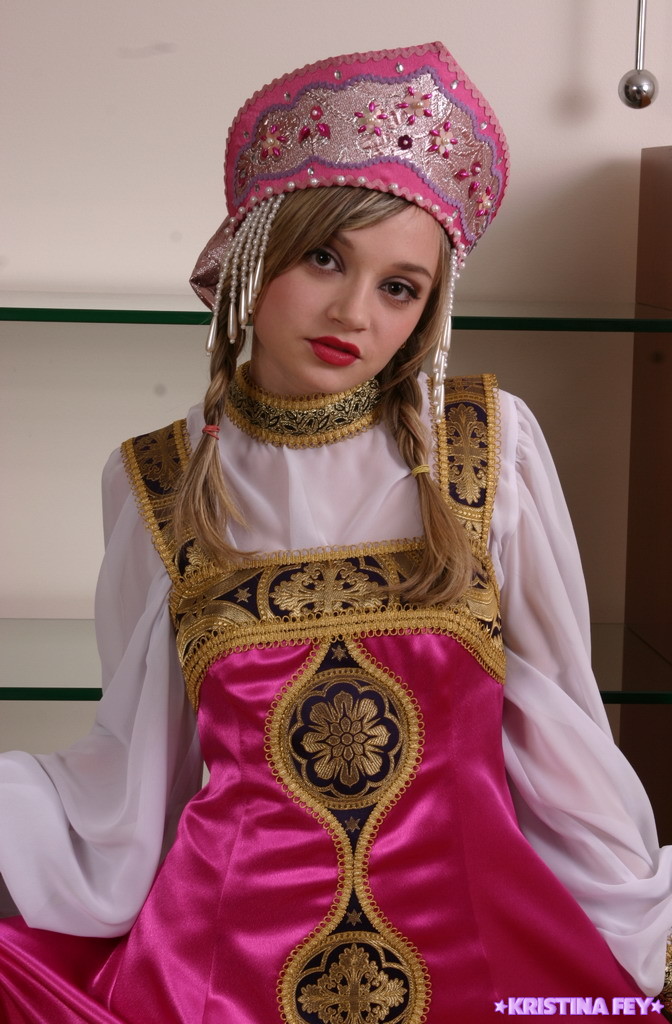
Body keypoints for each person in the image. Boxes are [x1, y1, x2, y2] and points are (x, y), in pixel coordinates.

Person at [0, 41, 670, 1024]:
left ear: (429, 310)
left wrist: (635, 937)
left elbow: (559, 730)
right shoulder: (157, 480)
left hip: (477, 961)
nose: (354, 313)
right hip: (223, 974)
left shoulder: (488, 447)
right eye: (325, 258)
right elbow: (135, 779)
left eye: (400, 287)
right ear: (252, 251)